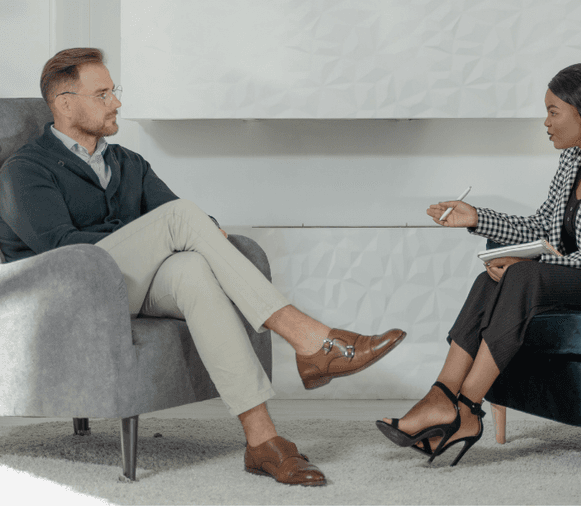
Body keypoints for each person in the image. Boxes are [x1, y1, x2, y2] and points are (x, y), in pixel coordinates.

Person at [0, 48, 407, 487]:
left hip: (124, 284)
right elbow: (59, 249)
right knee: (181, 220)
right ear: (64, 103)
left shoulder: (126, 163)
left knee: (193, 269)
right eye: (102, 94)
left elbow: (184, 220)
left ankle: (262, 441)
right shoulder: (24, 170)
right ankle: (310, 340)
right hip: (61, 296)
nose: (116, 102)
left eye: (114, 91)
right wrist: (163, 232)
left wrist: (195, 233)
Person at [376, 63, 581, 465]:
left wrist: (538, 261)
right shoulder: (573, 162)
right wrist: (478, 217)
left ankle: (465, 409)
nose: (546, 122)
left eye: (553, 112)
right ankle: (442, 395)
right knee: (492, 279)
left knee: (521, 274)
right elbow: (540, 224)